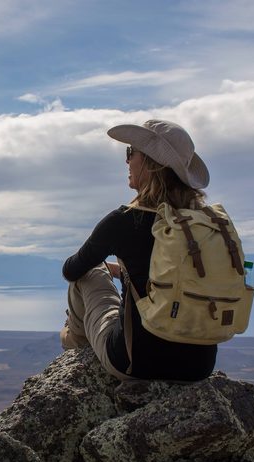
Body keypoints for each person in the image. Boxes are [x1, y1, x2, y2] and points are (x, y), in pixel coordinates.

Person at [61, 119, 217, 382]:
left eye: (130, 152)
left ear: (148, 162)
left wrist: (112, 266)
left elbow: (72, 269)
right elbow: (176, 279)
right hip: (198, 369)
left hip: (136, 363)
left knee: (90, 273)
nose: (127, 161)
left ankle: (75, 344)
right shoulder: (205, 224)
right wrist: (125, 270)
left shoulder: (125, 220)